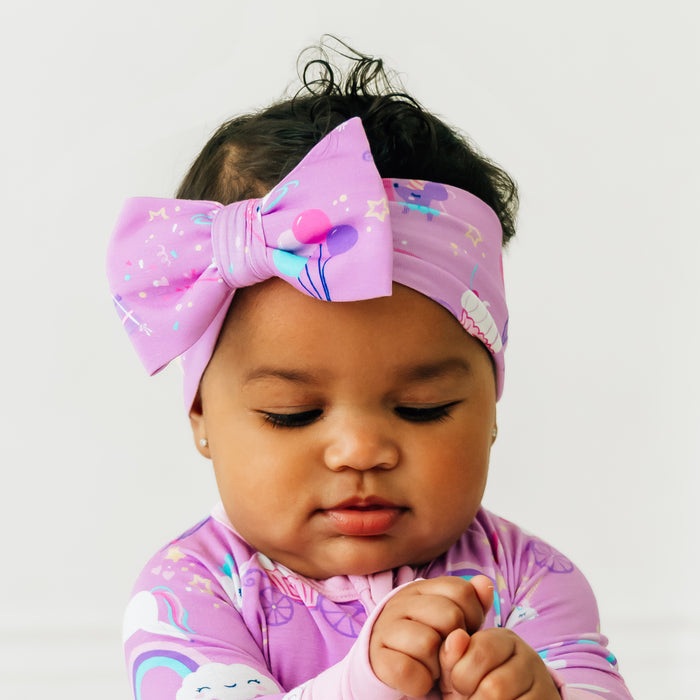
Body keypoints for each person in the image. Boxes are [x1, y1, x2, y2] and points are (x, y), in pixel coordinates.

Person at [108, 41, 633, 700]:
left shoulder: (530, 579)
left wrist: (541, 693)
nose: (360, 451)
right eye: (292, 414)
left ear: (491, 407)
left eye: (423, 406)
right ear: (201, 416)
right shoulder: (186, 594)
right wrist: (369, 683)